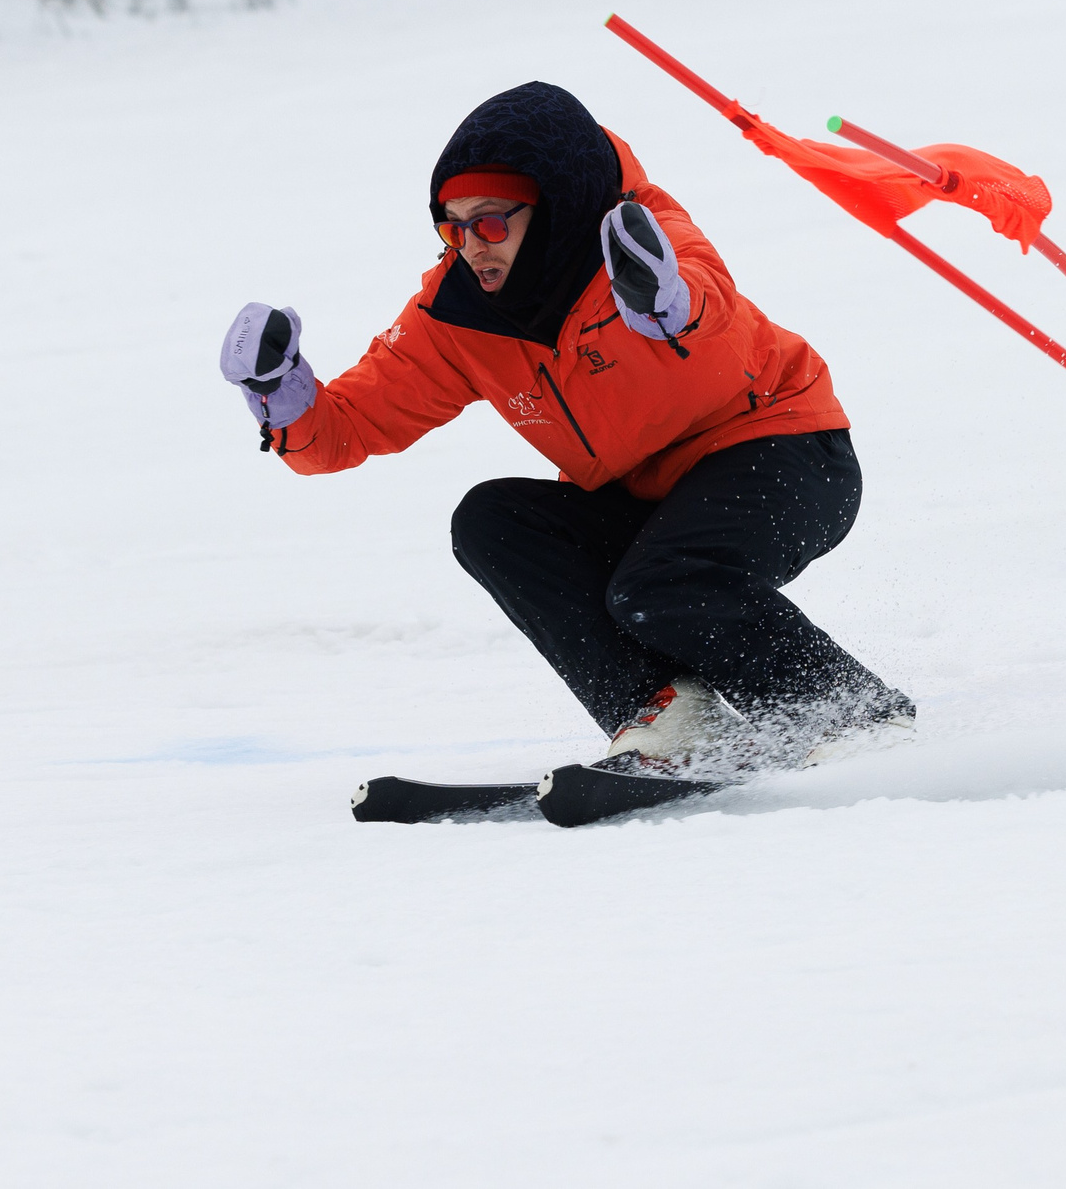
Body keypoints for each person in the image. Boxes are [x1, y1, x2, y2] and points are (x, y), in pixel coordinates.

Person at [217, 82, 913, 777]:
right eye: (452, 227)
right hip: (646, 500)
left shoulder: (636, 240)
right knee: (492, 520)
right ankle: (673, 716)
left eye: (491, 223)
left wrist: (666, 307)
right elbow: (346, 429)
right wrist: (280, 394)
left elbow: (710, 312)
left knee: (661, 586)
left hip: (783, 454)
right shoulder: (455, 313)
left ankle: (847, 712)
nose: (471, 247)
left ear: (552, 206)